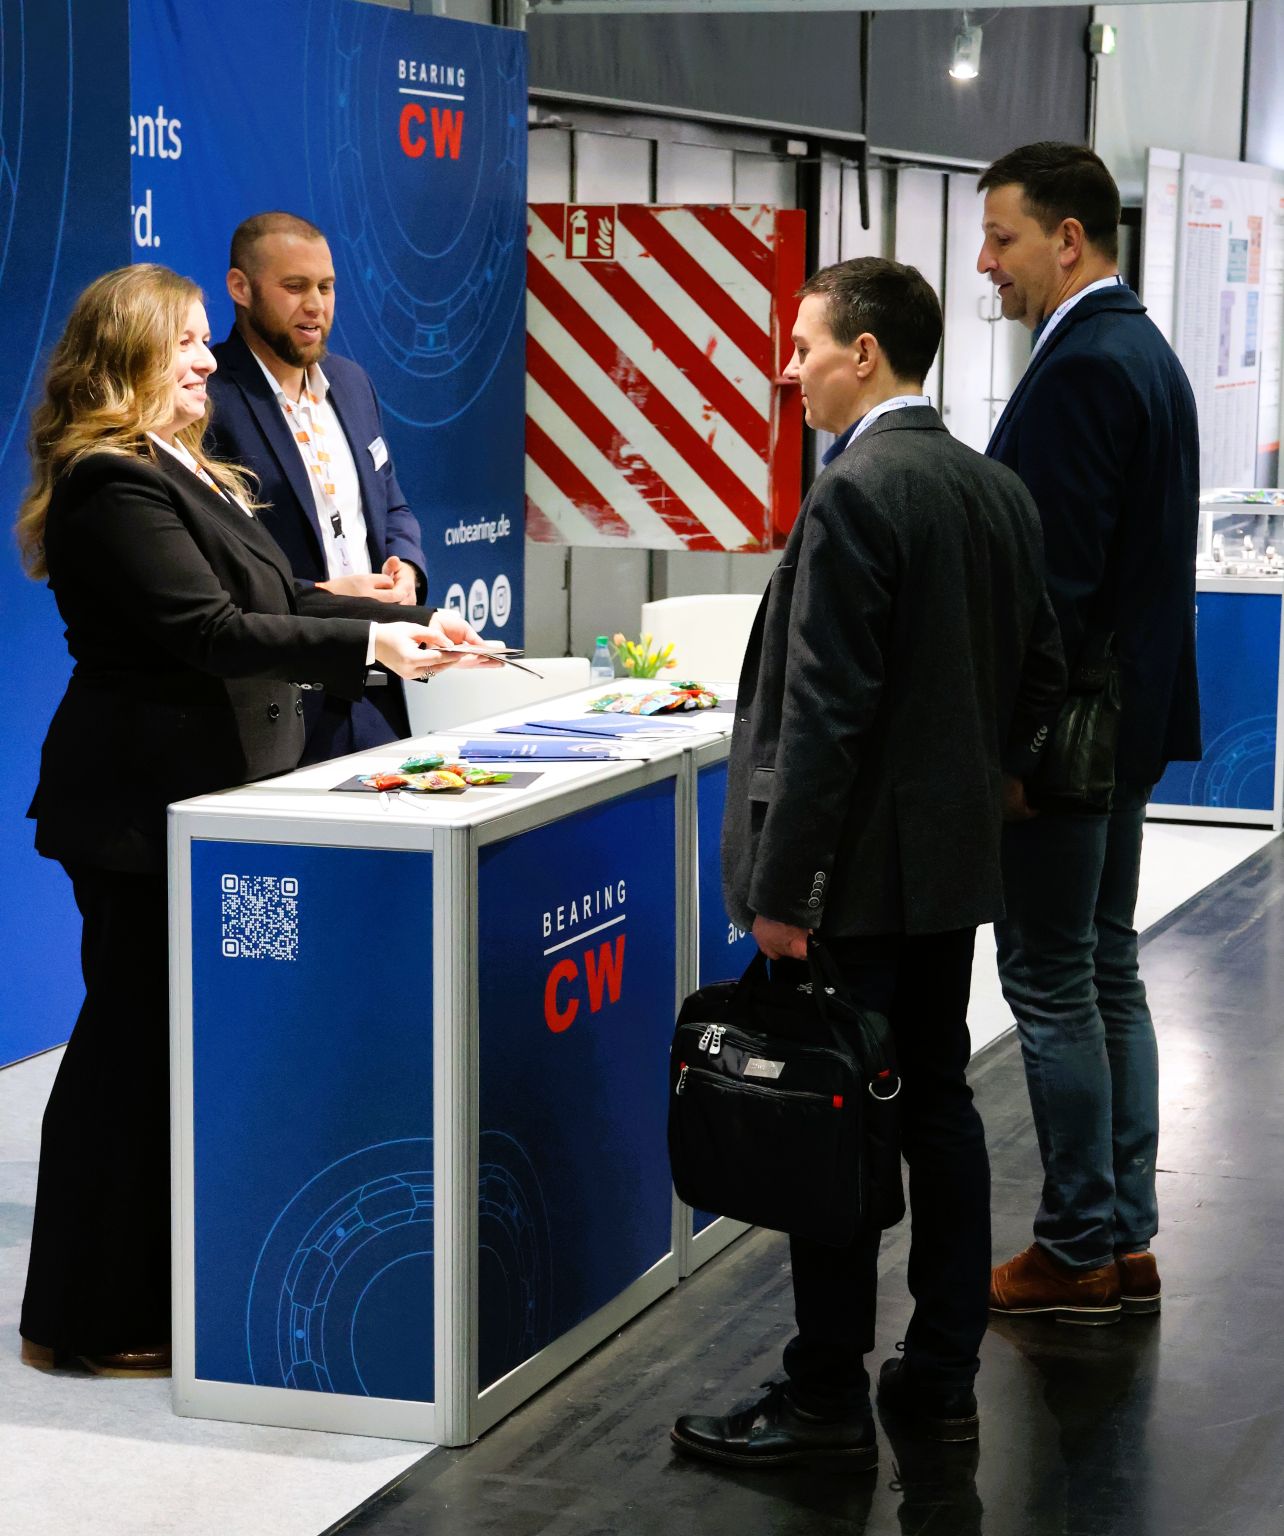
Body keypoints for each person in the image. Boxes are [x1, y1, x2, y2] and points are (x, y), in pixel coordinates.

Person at [15, 264, 488, 1375]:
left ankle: (166, 1287)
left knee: (189, 1045)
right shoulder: (108, 481)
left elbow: (270, 600)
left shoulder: (182, 464)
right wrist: (369, 644)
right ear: (129, 355)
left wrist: (403, 623)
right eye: (184, 341)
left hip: (219, 803)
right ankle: (82, 1321)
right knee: (130, 1051)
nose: (204, 359)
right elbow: (212, 631)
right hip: (141, 814)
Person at [670, 257, 1065, 1469]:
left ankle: (824, 1397)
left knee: (829, 1122)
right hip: (946, 875)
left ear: (864, 353)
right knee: (937, 1107)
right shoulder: (995, 488)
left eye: (803, 347)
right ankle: (940, 1375)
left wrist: (786, 896)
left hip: (852, 886)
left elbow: (825, 719)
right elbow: (1045, 674)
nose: (788, 370)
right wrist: (985, 788)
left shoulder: (856, 491)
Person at [977, 142, 1201, 1324]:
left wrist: (1015, 752)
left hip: (1068, 739)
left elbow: (1052, 591)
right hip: (1125, 724)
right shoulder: (1143, 352)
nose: (986, 263)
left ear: (1069, 241)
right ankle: (1121, 1234)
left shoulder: (1082, 368)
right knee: (1106, 968)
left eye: (1002, 238)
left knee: (1053, 977)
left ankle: (1074, 1251)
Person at [206, 211, 430, 763]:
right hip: (280, 696)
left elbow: (391, 504)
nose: (315, 305)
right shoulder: (208, 399)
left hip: (377, 684)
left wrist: (408, 567)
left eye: (326, 287)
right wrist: (321, 595)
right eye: (294, 287)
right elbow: (213, 566)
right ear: (240, 288)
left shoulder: (352, 383)